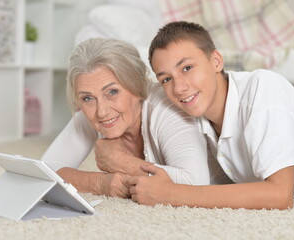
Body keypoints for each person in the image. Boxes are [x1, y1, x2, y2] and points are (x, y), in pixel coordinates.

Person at [126, 21, 294, 209]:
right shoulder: (197, 115)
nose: (179, 88)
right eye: (167, 79)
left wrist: (171, 194)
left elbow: (280, 195)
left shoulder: (262, 87)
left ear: (216, 61)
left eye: (187, 68)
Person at [41, 38, 211, 199]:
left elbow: (195, 184)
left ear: (137, 86)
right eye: (87, 98)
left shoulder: (165, 106)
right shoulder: (93, 109)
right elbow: (42, 172)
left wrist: (121, 162)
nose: (102, 112)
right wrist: (99, 183)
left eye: (112, 92)